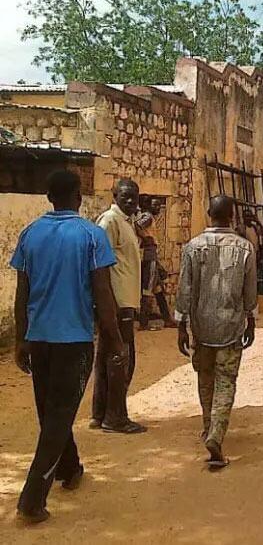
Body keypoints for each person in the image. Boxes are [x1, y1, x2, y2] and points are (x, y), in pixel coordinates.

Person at [11, 170, 125, 523]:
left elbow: (22, 293)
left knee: (52, 412)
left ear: (48, 198)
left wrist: (20, 338)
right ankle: (32, 498)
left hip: (39, 340)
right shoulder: (91, 236)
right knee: (58, 416)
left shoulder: (30, 234)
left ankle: (70, 468)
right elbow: (103, 293)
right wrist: (116, 339)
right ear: (78, 196)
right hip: (74, 341)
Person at [176, 195, 257, 470]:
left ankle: (208, 427)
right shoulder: (245, 248)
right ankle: (215, 435)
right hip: (231, 327)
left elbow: (184, 289)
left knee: (205, 378)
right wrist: (251, 320)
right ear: (231, 216)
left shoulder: (192, 247)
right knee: (226, 381)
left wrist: (181, 326)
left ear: (208, 212)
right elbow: (250, 292)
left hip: (201, 326)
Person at [92, 178, 146, 434]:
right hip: (116, 302)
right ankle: (115, 417)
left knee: (107, 357)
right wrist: (108, 304)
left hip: (125, 301)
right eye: (125, 196)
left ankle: (101, 413)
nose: (130, 200)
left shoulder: (126, 222)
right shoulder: (109, 221)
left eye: (134, 196)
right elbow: (99, 265)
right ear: (114, 196)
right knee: (121, 359)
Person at [135, 198, 174, 330]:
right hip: (149, 254)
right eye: (155, 204)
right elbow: (138, 225)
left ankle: (167, 319)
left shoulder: (148, 216)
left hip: (151, 254)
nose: (158, 207)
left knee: (158, 289)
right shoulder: (147, 216)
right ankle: (143, 322)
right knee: (148, 287)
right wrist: (146, 238)